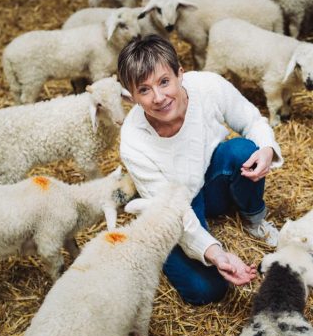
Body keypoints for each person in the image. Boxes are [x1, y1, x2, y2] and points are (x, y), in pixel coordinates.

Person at [117, 35, 284, 305]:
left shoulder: (207, 86)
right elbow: (173, 211)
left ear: (180, 74)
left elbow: (252, 119)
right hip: (176, 203)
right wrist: (216, 254)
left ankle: (255, 220)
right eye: (144, 90)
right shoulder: (133, 142)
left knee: (243, 150)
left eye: (164, 81)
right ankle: (159, 235)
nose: (159, 97)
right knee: (205, 289)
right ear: (132, 97)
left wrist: (266, 148)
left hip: (212, 178)